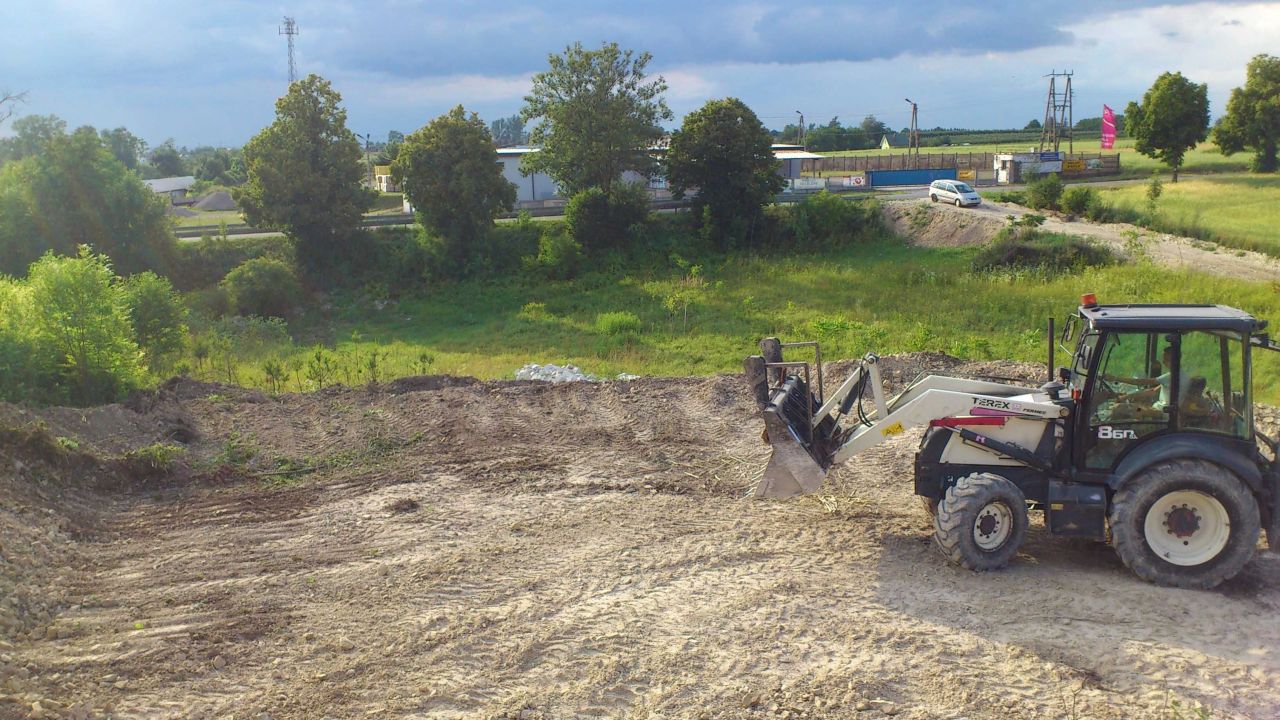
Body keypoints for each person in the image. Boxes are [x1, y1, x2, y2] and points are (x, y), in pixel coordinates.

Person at [1104, 346, 1191, 410]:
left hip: (1160, 413)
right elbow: (1152, 392)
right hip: (1158, 410)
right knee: (1135, 405)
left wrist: (1115, 378)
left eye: (1166, 359)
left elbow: (1139, 382)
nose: (1163, 362)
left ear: (1175, 360)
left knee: (1118, 409)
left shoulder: (1172, 377)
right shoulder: (1180, 376)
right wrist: (1127, 396)